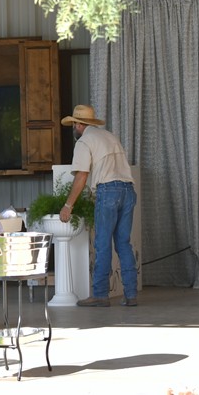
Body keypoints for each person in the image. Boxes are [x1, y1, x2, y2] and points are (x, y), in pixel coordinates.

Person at [59, 105, 138, 307]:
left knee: (102, 244)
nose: (74, 129)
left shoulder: (84, 141)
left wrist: (68, 205)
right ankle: (130, 294)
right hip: (128, 190)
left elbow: (82, 176)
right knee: (123, 244)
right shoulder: (109, 136)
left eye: (74, 125)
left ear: (78, 124)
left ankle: (101, 295)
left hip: (108, 191)